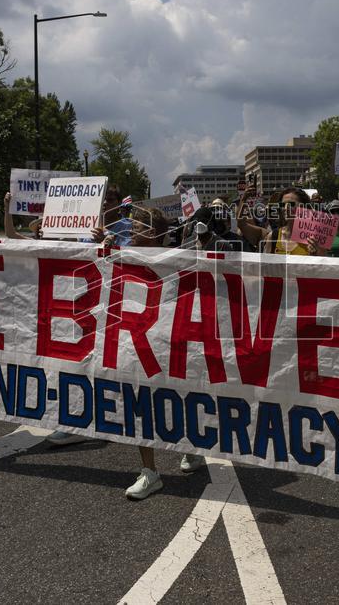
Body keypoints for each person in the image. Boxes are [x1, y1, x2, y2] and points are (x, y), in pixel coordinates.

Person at [125, 206, 207, 500]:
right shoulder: (124, 254)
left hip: (173, 342)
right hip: (139, 343)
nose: (131, 232)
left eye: (137, 227)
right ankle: (150, 472)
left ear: (154, 232)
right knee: (140, 403)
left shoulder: (178, 260)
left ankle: (193, 449)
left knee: (180, 401)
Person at [237, 186, 322, 255]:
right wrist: (244, 200)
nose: (285, 208)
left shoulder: (314, 238)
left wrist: (314, 256)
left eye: (291, 204)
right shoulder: (273, 236)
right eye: (283, 205)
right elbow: (241, 224)